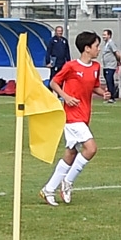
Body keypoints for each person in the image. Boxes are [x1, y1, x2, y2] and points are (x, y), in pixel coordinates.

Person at [40, 31, 106, 206]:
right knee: (91, 148)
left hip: (84, 116)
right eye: (96, 46)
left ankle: (48, 189)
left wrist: (104, 93)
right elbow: (54, 82)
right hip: (71, 116)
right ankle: (68, 181)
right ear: (87, 48)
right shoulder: (71, 66)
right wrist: (65, 97)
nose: (98, 49)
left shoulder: (95, 67)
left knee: (71, 153)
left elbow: (95, 86)